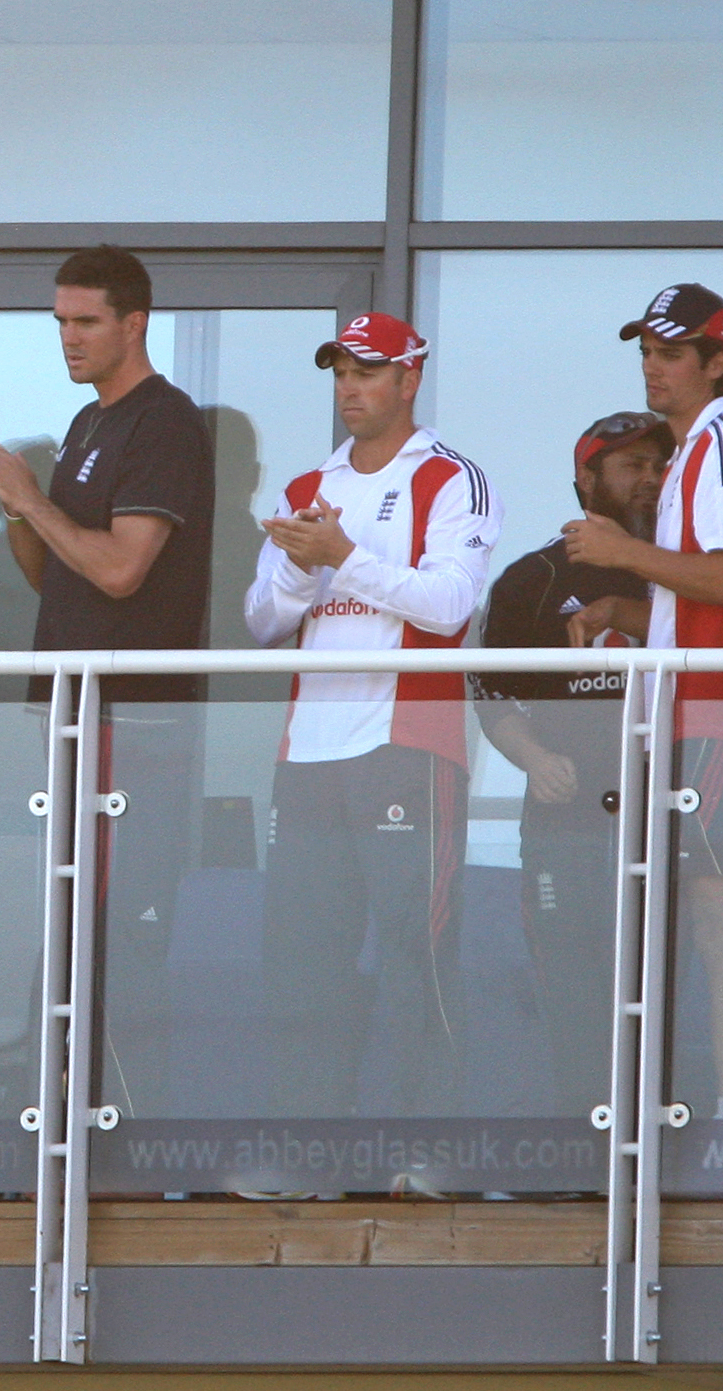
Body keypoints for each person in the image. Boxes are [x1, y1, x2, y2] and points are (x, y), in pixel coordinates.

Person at [0, 245, 213, 1112]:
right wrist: (10, 500)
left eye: (86, 321)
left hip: (135, 730)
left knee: (118, 944)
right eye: (59, 321)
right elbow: (58, 575)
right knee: (66, 935)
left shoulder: (164, 422)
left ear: (133, 324)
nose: (67, 338)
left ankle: (126, 1157)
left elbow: (119, 571)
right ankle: (61, 1140)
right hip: (71, 723)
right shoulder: (88, 424)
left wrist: (31, 501)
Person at [240, 313, 497, 1118]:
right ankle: (306, 1147)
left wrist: (344, 557)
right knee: (302, 961)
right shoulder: (305, 488)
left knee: (418, 954)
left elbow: (453, 605)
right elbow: (260, 621)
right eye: (341, 372)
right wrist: (295, 566)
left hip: (405, 746)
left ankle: (432, 1150)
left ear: (409, 379)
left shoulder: (452, 477)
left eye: (368, 371)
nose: (350, 387)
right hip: (308, 752)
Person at [562, 284, 723, 1123]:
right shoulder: (695, 448)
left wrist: (623, 552)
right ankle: (701, 1122)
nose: (654, 369)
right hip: (698, 712)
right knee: (702, 929)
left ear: (718, 362)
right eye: (647, 353)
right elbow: (699, 599)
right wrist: (625, 611)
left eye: (671, 354)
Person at [474, 411, 670, 1115]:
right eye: (630, 466)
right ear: (587, 478)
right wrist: (532, 757)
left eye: (657, 465)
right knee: (574, 997)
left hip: (669, 823)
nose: (648, 479)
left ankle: (655, 1151)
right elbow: (490, 691)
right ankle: (583, 1148)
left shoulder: (683, 572)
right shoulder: (531, 580)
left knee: (659, 998)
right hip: (565, 827)